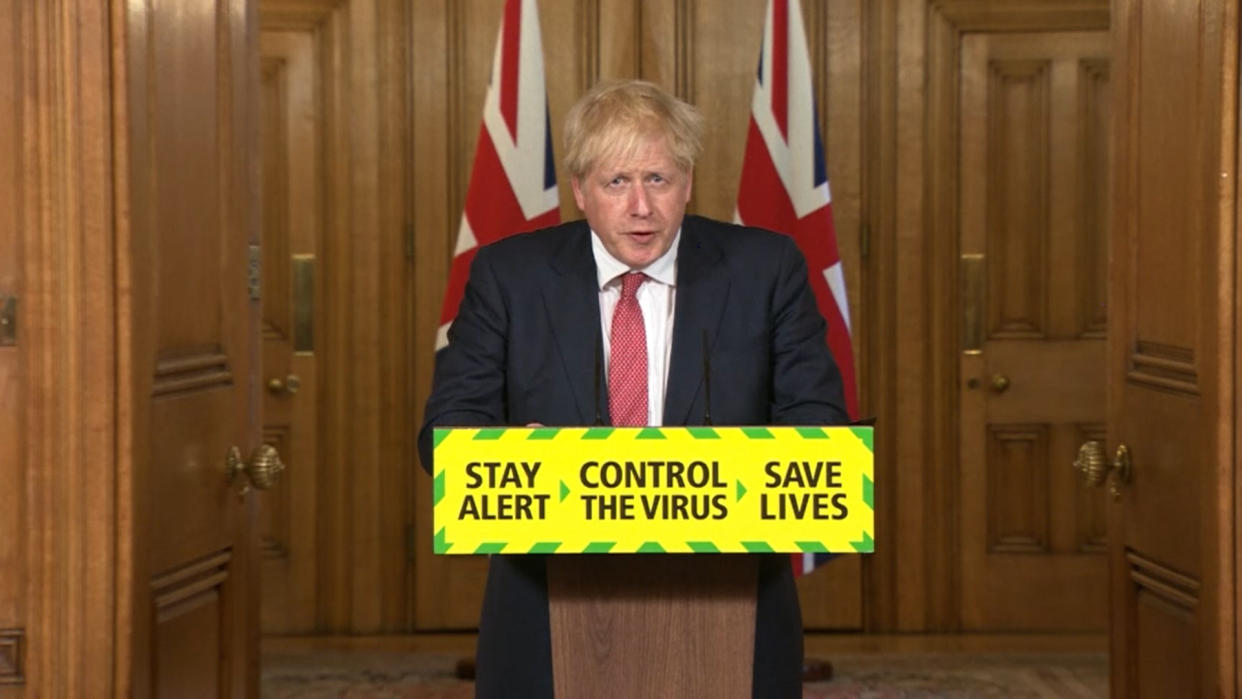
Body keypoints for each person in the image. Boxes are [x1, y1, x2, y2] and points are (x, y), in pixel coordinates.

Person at [418, 79, 849, 698]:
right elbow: (445, 433)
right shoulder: (509, 276)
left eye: (658, 179)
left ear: (688, 184)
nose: (640, 207)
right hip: (545, 609)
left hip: (730, 607)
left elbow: (820, 428)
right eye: (617, 182)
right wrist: (519, 456)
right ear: (581, 193)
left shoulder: (765, 268)